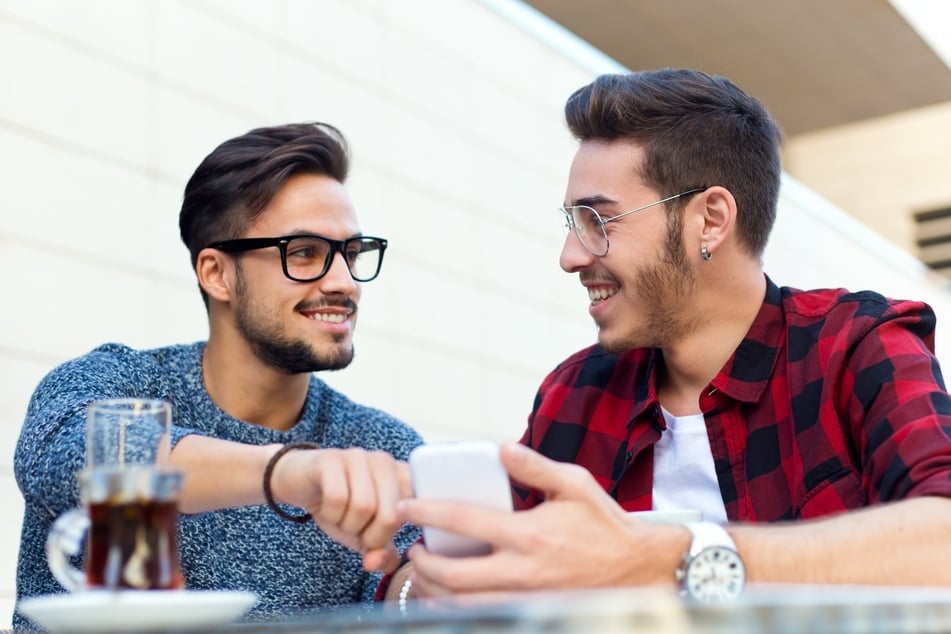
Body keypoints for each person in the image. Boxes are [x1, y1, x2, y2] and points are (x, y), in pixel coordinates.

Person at [396, 69, 951, 602]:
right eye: (572, 223)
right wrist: (418, 576)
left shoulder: (854, 346)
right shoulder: (576, 395)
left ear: (710, 220)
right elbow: (448, 577)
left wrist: (674, 559)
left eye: (599, 220)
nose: (570, 257)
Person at [14, 122, 423, 629]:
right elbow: (67, 457)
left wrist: (423, 585)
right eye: (303, 253)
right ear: (216, 273)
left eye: (352, 254)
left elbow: (402, 588)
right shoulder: (113, 383)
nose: (343, 282)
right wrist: (291, 473)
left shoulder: (382, 448)